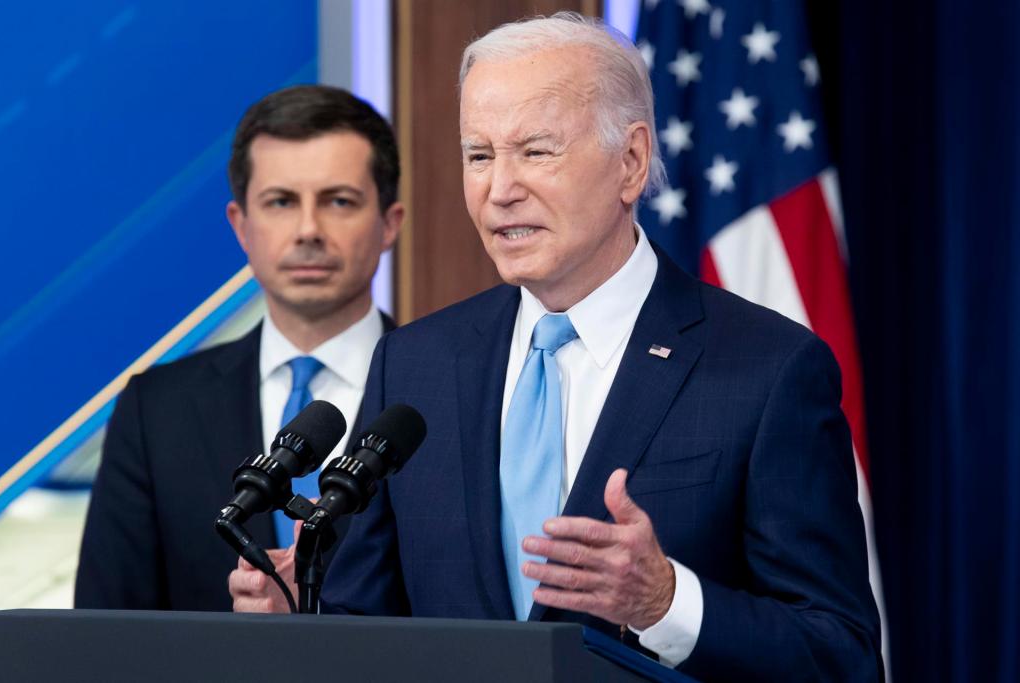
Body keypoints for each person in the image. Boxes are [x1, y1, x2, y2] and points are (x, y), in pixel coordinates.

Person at [231, 13, 882, 681]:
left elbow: (842, 655)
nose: (499, 189)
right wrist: (302, 617)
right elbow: (370, 619)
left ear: (630, 162)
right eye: (479, 155)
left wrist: (666, 602)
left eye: (536, 151)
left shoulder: (767, 367)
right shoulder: (415, 363)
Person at [75, 85, 404, 611]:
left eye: (339, 201)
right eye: (281, 202)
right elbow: (104, 629)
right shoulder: (155, 410)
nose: (308, 230)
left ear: (390, 223)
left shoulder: (447, 395)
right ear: (241, 225)